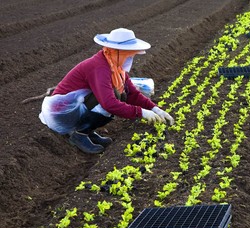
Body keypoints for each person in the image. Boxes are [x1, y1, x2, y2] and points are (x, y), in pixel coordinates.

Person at [39, 28, 174, 154]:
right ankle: (80, 134)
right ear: (117, 51)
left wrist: (155, 109)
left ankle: (87, 131)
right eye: (129, 55)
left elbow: (132, 94)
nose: (131, 58)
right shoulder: (99, 67)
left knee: (121, 94)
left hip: (76, 105)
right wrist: (141, 112)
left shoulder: (115, 67)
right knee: (111, 98)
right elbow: (109, 103)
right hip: (61, 112)